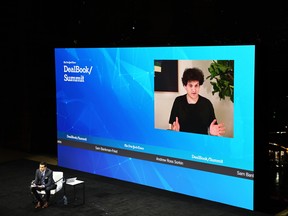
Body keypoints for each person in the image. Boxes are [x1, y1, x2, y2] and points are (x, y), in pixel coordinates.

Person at [169, 67, 225, 136]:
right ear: (185, 86)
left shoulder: (207, 104)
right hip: (182, 142)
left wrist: (212, 133)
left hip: (202, 144)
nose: (194, 90)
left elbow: (213, 128)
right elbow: (173, 126)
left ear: (199, 85)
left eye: (196, 86)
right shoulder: (178, 101)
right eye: (190, 86)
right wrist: (174, 132)